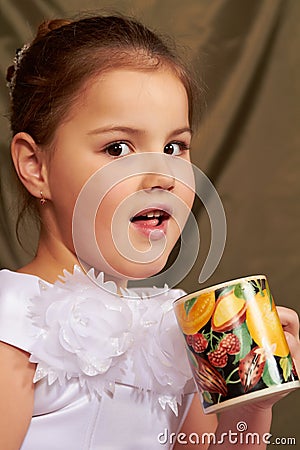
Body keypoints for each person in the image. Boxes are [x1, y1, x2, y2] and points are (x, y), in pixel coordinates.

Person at [0, 14, 299, 450]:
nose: (161, 174)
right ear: (35, 166)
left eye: (174, 147)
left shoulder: (177, 329)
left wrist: (247, 409)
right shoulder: (13, 327)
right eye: (118, 148)